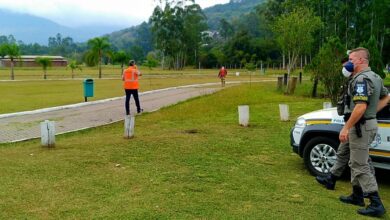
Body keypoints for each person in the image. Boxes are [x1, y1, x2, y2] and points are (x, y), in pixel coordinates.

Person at [337, 47, 388, 217]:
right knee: (356, 160)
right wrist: (373, 112)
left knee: (360, 164)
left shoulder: (361, 80)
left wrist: (346, 127)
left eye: (351, 59)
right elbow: (387, 96)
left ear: (360, 60)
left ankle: (376, 203)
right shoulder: (375, 77)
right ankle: (357, 195)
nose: (348, 62)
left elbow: (360, 107)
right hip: (366, 123)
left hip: (361, 127)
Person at [315, 57, 375, 190]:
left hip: (359, 124)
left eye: (347, 66)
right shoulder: (352, 80)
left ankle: (369, 191)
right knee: (342, 152)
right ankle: (331, 179)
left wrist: (348, 126)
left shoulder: (362, 80)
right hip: (351, 122)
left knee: (361, 160)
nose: (345, 69)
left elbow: (362, 105)